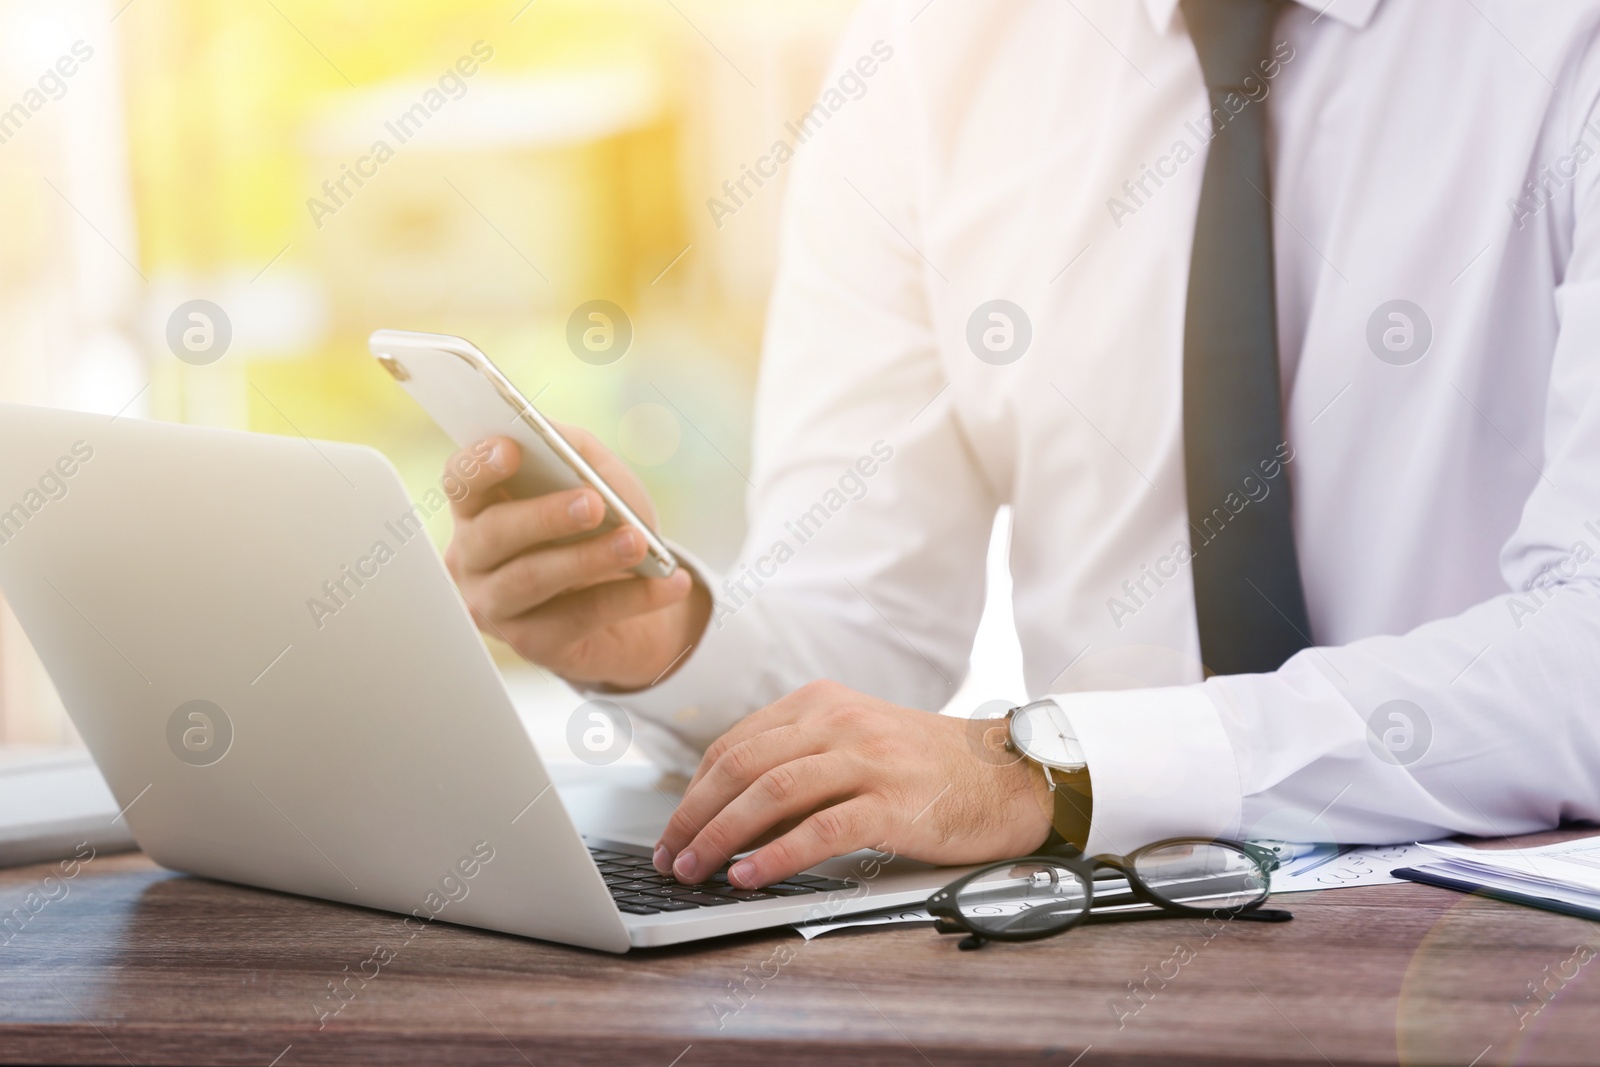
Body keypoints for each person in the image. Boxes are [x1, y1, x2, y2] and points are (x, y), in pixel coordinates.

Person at [443, 0, 1600, 891]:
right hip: (1091, 939)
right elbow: (866, 628)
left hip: (1494, 946)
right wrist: (669, 641)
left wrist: (1052, 766)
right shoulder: (929, 54)